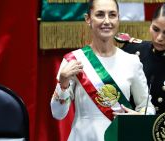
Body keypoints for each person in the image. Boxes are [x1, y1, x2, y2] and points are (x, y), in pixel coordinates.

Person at [50, 0, 155, 141]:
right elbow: (58, 113)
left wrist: (138, 117)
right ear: (88, 19)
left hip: (120, 136)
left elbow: (147, 107)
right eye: (100, 15)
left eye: (112, 15)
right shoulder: (74, 60)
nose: (107, 21)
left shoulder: (132, 61)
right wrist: (62, 83)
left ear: (118, 18)